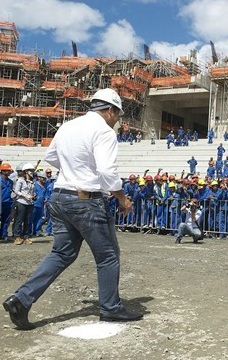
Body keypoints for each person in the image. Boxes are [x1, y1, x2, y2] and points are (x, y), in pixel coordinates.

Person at [3, 88, 142, 331]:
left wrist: (73, 169)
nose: (117, 120)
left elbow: (51, 157)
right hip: (86, 200)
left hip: (60, 196)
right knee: (108, 255)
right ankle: (110, 308)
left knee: (61, 254)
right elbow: (108, 172)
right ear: (110, 110)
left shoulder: (68, 126)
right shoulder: (104, 132)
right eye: (117, 115)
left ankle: (22, 299)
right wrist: (122, 198)